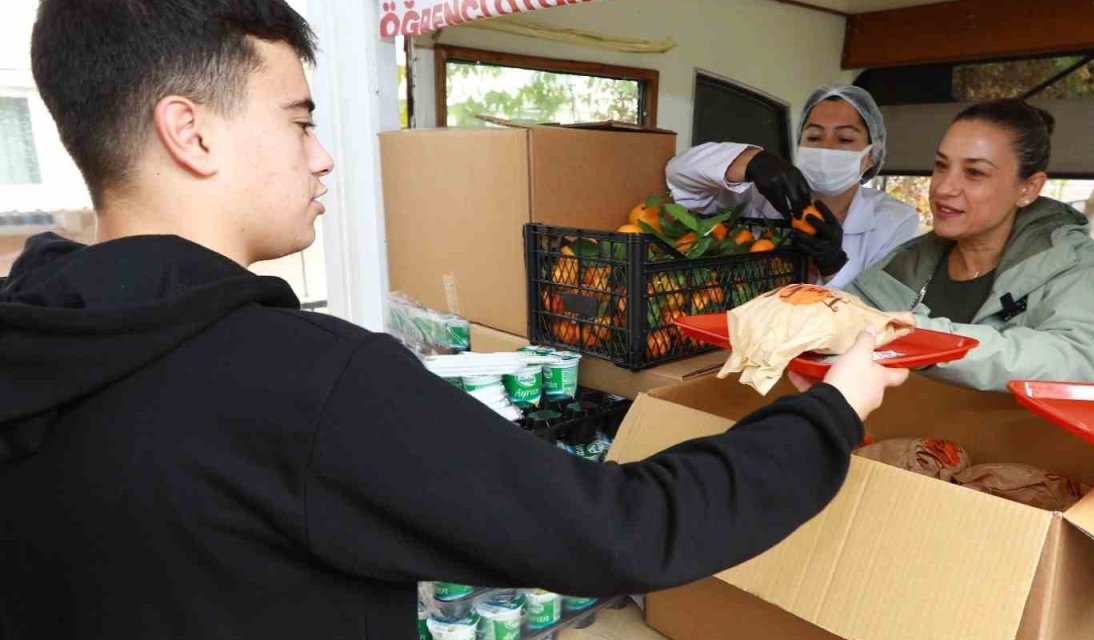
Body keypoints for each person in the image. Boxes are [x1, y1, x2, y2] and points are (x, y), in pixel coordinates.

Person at [0, 1, 910, 638]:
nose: (322, 158)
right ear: (190, 132)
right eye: (297, 120)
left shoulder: (30, 338)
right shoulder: (307, 381)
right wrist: (834, 407)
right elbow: (626, 528)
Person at [845, 99, 1094, 392]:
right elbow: (840, 321)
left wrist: (927, 339)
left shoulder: (1072, 263)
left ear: (1028, 188)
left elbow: (1083, 361)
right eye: (941, 166)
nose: (944, 187)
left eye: (974, 172)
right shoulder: (906, 263)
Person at [665, 85, 919, 289]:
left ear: (871, 155)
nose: (826, 148)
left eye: (844, 139)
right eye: (814, 137)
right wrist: (751, 160)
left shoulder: (894, 220)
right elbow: (679, 175)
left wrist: (835, 266)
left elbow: (881, 310)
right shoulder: (754, 197)